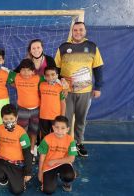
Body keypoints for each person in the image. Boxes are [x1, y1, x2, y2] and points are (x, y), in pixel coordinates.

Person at [54, 21, 104, 157]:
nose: (78, 32)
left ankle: (78, 142)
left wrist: (98, 86)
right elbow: (56, 69)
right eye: (75, 30)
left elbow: (98, 68)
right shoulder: (63, 47)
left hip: (85, 92)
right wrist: (59, 82)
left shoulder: (92, 47)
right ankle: (66, 144)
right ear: (72, 32)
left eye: (81, 30)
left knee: (81, 119)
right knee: (66, 119)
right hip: (67, 92)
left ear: (85, 31)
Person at [0, 104, 32, 195]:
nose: (9, 121)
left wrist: (28, 172)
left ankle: (19, 178)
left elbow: (27, 153)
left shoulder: (22, 133)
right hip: (2, 161)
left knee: (17, 191)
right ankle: (5, 178)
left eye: (11, 119)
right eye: (6, 119)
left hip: (17, 164)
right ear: (2, 119)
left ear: (16, 118)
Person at [9, 59, 42, 161]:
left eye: (29, 70)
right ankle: (23, 149)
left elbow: (52, 80)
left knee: (33, 131)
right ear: (20, 70)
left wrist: (64, 85)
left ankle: (32, 150)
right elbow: (7, 75)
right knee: (22, 131)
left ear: (33, 71)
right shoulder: (16, 77)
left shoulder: (38, 78)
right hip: (22, 110)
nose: (26, 73)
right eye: (23, 70)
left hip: (36, 110)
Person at [38, 116, 77, 194]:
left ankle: (67, 181)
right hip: (49, 166)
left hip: (63, 163)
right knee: (48, 190)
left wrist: (55, 161)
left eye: (63, 128)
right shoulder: (47, 139)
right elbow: (42, 158)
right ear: (53, 127)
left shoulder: (71, 140)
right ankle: (53, 176)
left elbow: (71, 158)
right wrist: (40, 172)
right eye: (57, 127)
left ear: (67, 129)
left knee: (69, 175)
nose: (59, 131)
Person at [39, 66, 66, 137]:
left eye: (53, 74)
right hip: (43, 116)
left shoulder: (60, 87)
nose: (50, 77)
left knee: (56, 135)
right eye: (47, 75)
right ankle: (44, 148)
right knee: (44, 135)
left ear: (57, 75)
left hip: (56, 117)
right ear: (44, 76)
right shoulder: (41, 85)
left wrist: (62, 116)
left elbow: (63, 103)